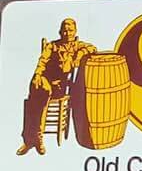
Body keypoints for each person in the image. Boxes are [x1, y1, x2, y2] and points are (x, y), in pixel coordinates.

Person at [17, 18, 96, 156]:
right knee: (39, 90)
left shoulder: (78, 46)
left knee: (34, 99)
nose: (67, 33)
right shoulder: (52, 46)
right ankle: (36, 138)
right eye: (64, 30)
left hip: (60, 87)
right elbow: (42, 61)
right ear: (60, 32)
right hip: (45, 82)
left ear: (75, 31)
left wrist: (79, 55)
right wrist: (37, 75)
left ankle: (31, 139)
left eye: (70, 30)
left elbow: (93, 48)